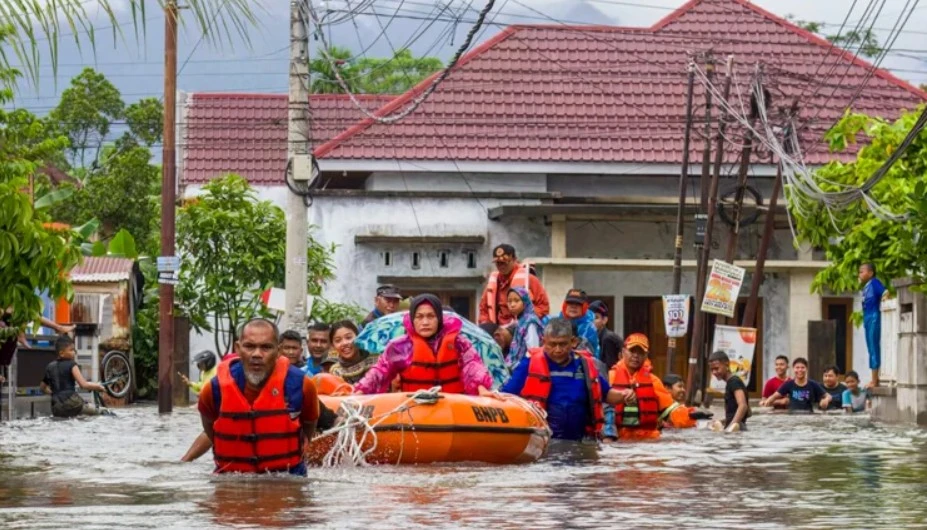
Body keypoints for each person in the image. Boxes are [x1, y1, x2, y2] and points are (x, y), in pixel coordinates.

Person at [197, 318, 319, 475]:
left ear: (278, 351)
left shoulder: (302, 385)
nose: (257, 354)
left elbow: (309, 424)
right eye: (249, 346)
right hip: (232, 480)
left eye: (266, 347)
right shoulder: (214, 389)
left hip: (287, 477)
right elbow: (210, 427)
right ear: (238, 348)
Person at [501, 318, 631, 442]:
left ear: (573, 342)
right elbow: (506, 396)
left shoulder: (585, 365)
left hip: (582, 440)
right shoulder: (529, 364)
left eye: (562, 344)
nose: (557, 350)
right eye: (552, 344)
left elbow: (607, 394)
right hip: (543, 441)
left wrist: (624, 395)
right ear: (543, 341)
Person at [355, 294, 494, 396]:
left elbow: (473, 366)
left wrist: (481, 389)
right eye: (419, 317)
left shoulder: (459, 343)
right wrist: (361, 390)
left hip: (454, 407)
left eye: (431, 316)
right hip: (415, 408)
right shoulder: (400, 346)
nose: (425, 322)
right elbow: (380, 371)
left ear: (439, 319)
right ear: (412, 320)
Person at [608, 333, 705, 439]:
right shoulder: (609, 377)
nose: (636, 355)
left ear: (646, 356)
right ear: (623, 352)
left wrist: (691, 416)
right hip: (617, 438)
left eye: (640, 352)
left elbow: (671, 410)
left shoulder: (653, 381)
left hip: (648, 439)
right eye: (632, 351)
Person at [479, 244, 550, 326]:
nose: (501, 266)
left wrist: (526, 318)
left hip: (523, 325)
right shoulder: (493, 282)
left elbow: (543, 306)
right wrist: (485, 322)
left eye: (504, 262)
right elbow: (483, 309)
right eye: (498, 263)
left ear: (514, 259)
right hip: (498, 328)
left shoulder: (529, 279)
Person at [39, 334, 106, 417]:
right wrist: (97, 387)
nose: (74, 352)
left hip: (57, 407)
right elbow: (83, 384)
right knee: (103, 412)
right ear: (62, 353)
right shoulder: (72, 365)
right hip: (73, 403)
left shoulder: (49, 367)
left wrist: (55, 393)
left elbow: (42, 387)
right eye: (71, 350)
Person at [760, 357, 832, 412]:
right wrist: (767, 402)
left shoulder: (813, 384)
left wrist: (826, 400)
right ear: (793, 369)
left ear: (806, 369)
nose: (800, 370)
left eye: (802, 368)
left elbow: (828, 396)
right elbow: (774, 396)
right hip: (792, 416)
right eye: (797, 368)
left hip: (809, 415)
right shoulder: (788, 384)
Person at [708, 350, 750, 432]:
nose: (714, 372)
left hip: (737, 429)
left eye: (717, 368)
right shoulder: (731, 382)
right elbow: (745, 412)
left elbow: (743, 406)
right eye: (712, 369)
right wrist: (722, 421)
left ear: (726, 364)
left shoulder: (734, 382)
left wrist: (730, 428)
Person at [860, 262, 886, 388]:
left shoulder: (875, 283)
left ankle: (875, 380)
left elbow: (885, 293)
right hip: (867, 317)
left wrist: (884, 301)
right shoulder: (866, 287)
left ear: (870, 273)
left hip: (873, 316)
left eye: (862, 271)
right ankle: (874, 378)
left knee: (874, 347)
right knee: (870, 348)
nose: (859, 274)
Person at [554, 289, 600, 358]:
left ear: (584, 307)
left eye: (578, 304)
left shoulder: (590, 329)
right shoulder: (554, 323)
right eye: (570, 303)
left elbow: (590, 355)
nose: (573, 307)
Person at [507, 287, 543, 368]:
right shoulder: (521, 321)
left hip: (525, 369)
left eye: (516, 301)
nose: (512, 305)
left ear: (525, 301)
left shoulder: (530, 322)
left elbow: (533, 351)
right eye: (509, 301)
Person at [589, 300, 623, 369]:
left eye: (596, 317)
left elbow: (609, 369)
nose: (591, 321)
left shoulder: (608, 339)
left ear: (604, 320)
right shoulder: (592, 337)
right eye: (589, 317)